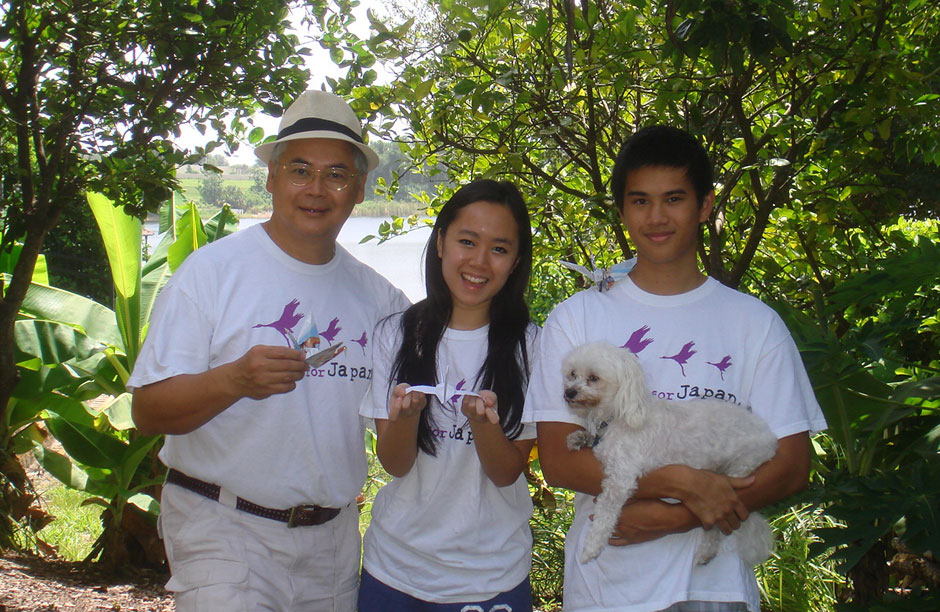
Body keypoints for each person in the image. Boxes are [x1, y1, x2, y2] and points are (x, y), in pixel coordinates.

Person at [523, 125, 827, 612]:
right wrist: (684, 483)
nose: (657, 216)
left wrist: (681, 516)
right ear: (622, 210)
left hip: (716, 588)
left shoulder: (754, 323)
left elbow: (791, 466)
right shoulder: (577, 317)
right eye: (640, 201)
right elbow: (559, 462)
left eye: (674, 199)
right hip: (608, 589)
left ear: (705, 206)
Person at [128, 90, 409, 611]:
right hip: (222, 530)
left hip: (333, 544)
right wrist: (233, 380)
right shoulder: (211, 274)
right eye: (300, 170)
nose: (317, 189)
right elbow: (146, 412)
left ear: (360, 189)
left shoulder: (382, 300)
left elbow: (401, 437)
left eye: (337, 174)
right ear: (272, 177)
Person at [358, 179, 538, 612]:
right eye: (466, 241)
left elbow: (506, 472)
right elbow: (395, 464)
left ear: (515, 262)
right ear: (440, 243)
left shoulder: (532, 346)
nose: (479, 261)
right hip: (395, 569)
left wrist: (483, 426)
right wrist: (405, 419)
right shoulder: (396, 334)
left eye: (499, 248)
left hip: (492, 576)